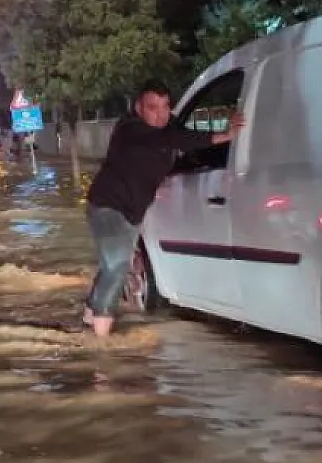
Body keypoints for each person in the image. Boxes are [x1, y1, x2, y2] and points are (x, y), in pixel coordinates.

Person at [82, 79, 243, 336]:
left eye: (165, 107)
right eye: (152, 108)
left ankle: (90, 314)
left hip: (132, 210)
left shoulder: (168, 127)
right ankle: (101, 340)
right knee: (118, 264)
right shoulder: (130, 128)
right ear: (138, 108)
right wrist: (225, 134)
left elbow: (186, 142)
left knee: (112, 264)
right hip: (107, 206)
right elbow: (175, 138)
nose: (160, 114)